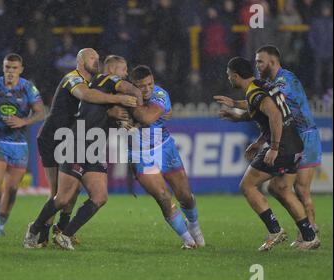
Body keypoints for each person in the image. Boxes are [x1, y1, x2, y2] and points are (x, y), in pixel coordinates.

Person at [24, 55, 141, 250]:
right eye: (124, 69)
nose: (126, 74)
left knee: (100, 197)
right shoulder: (105, 80)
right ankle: (35, 230)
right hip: (75, 143)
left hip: (93, 148)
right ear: (112, 70)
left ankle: (64, 234)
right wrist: (140, 96)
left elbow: (97, 115)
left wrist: (121, 121)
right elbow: (128, 90)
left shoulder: (96, 88)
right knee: (62, 197)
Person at [215, 45, 322, 245]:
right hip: (294, 142)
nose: (228, 79)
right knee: (280, 188)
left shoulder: (267, 87)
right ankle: (309, 237)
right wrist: (256, 139)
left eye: (229, 75)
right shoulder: (265, 85)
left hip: (289, 142)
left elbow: (273, 113)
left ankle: (276, 230)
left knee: (248, 186)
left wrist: (272, 147)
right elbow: (264, 109)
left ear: (236, 76)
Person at [128, 65, 205, 250]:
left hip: (165, 149)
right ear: (133, 85)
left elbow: (146, 117)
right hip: (140, 156)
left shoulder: (160, 94)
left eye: (150, 84)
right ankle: (188, 240)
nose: (147, 89)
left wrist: (131, 115)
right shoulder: (123, 97)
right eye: (142, 86)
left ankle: (194, 226)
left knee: (185, 196)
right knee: (163, 197)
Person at [0, 53, 45, 236]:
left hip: (19, 145)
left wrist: (23, 122)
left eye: (14, 68)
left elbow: (41, 112)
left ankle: (2, 223)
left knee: (11, 189)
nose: (10, 72)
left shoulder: (27, 87)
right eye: (7, 68)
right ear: (3, 68)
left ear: (21, 69)